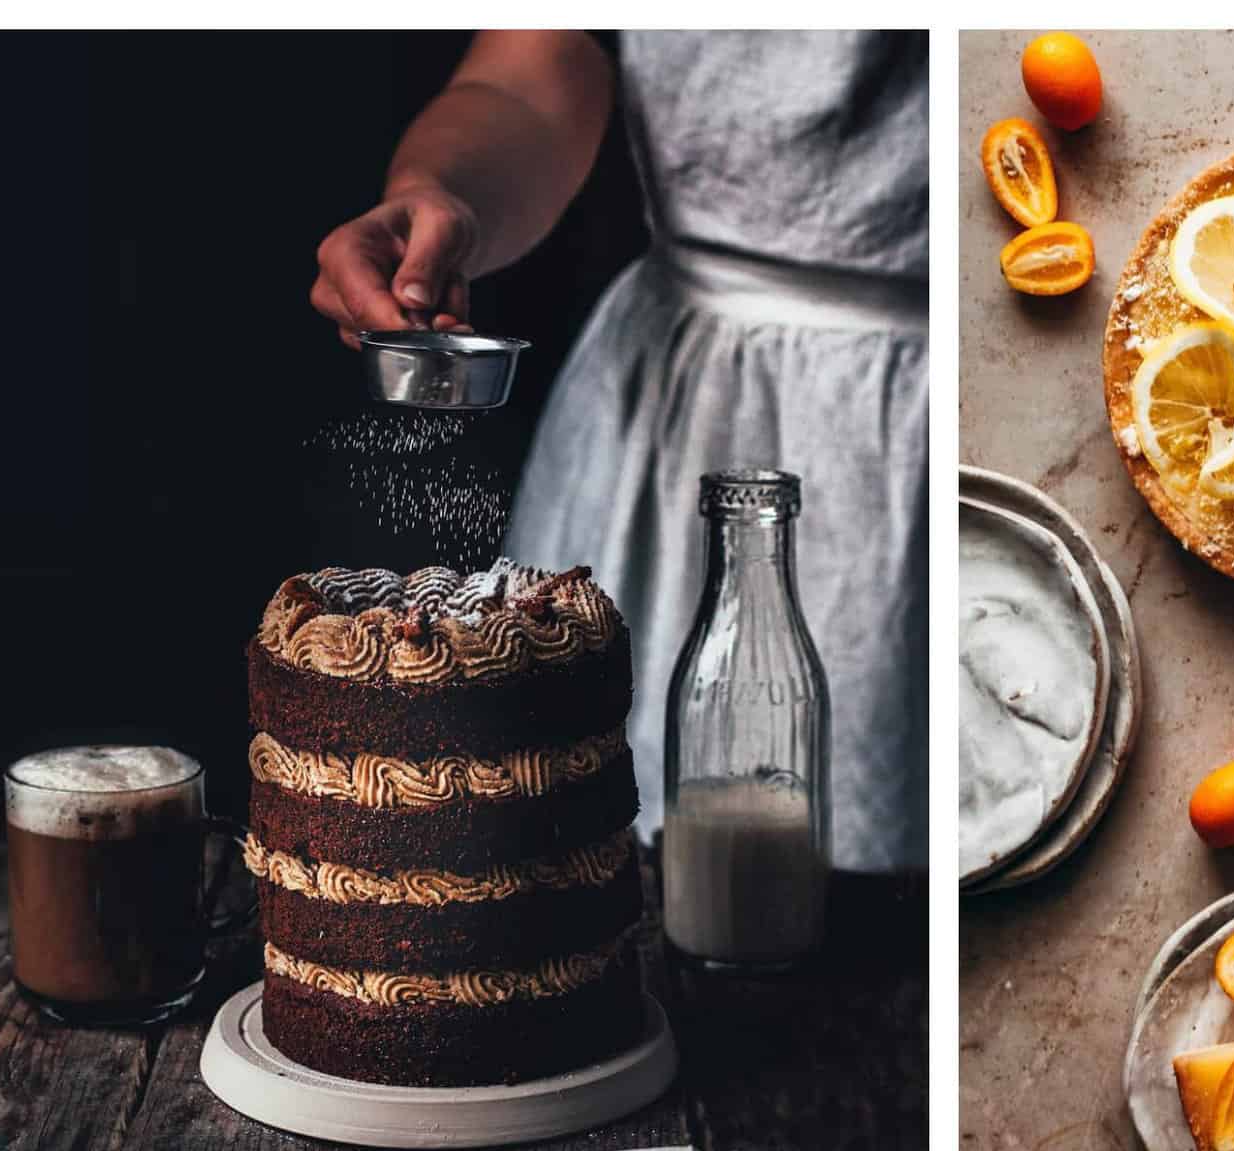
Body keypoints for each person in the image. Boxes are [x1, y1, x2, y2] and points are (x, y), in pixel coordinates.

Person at [311, 31, 927, 879]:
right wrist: (438, 196)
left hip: (927, 409)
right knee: (580, 860)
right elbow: (537, 68)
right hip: (670, 396)